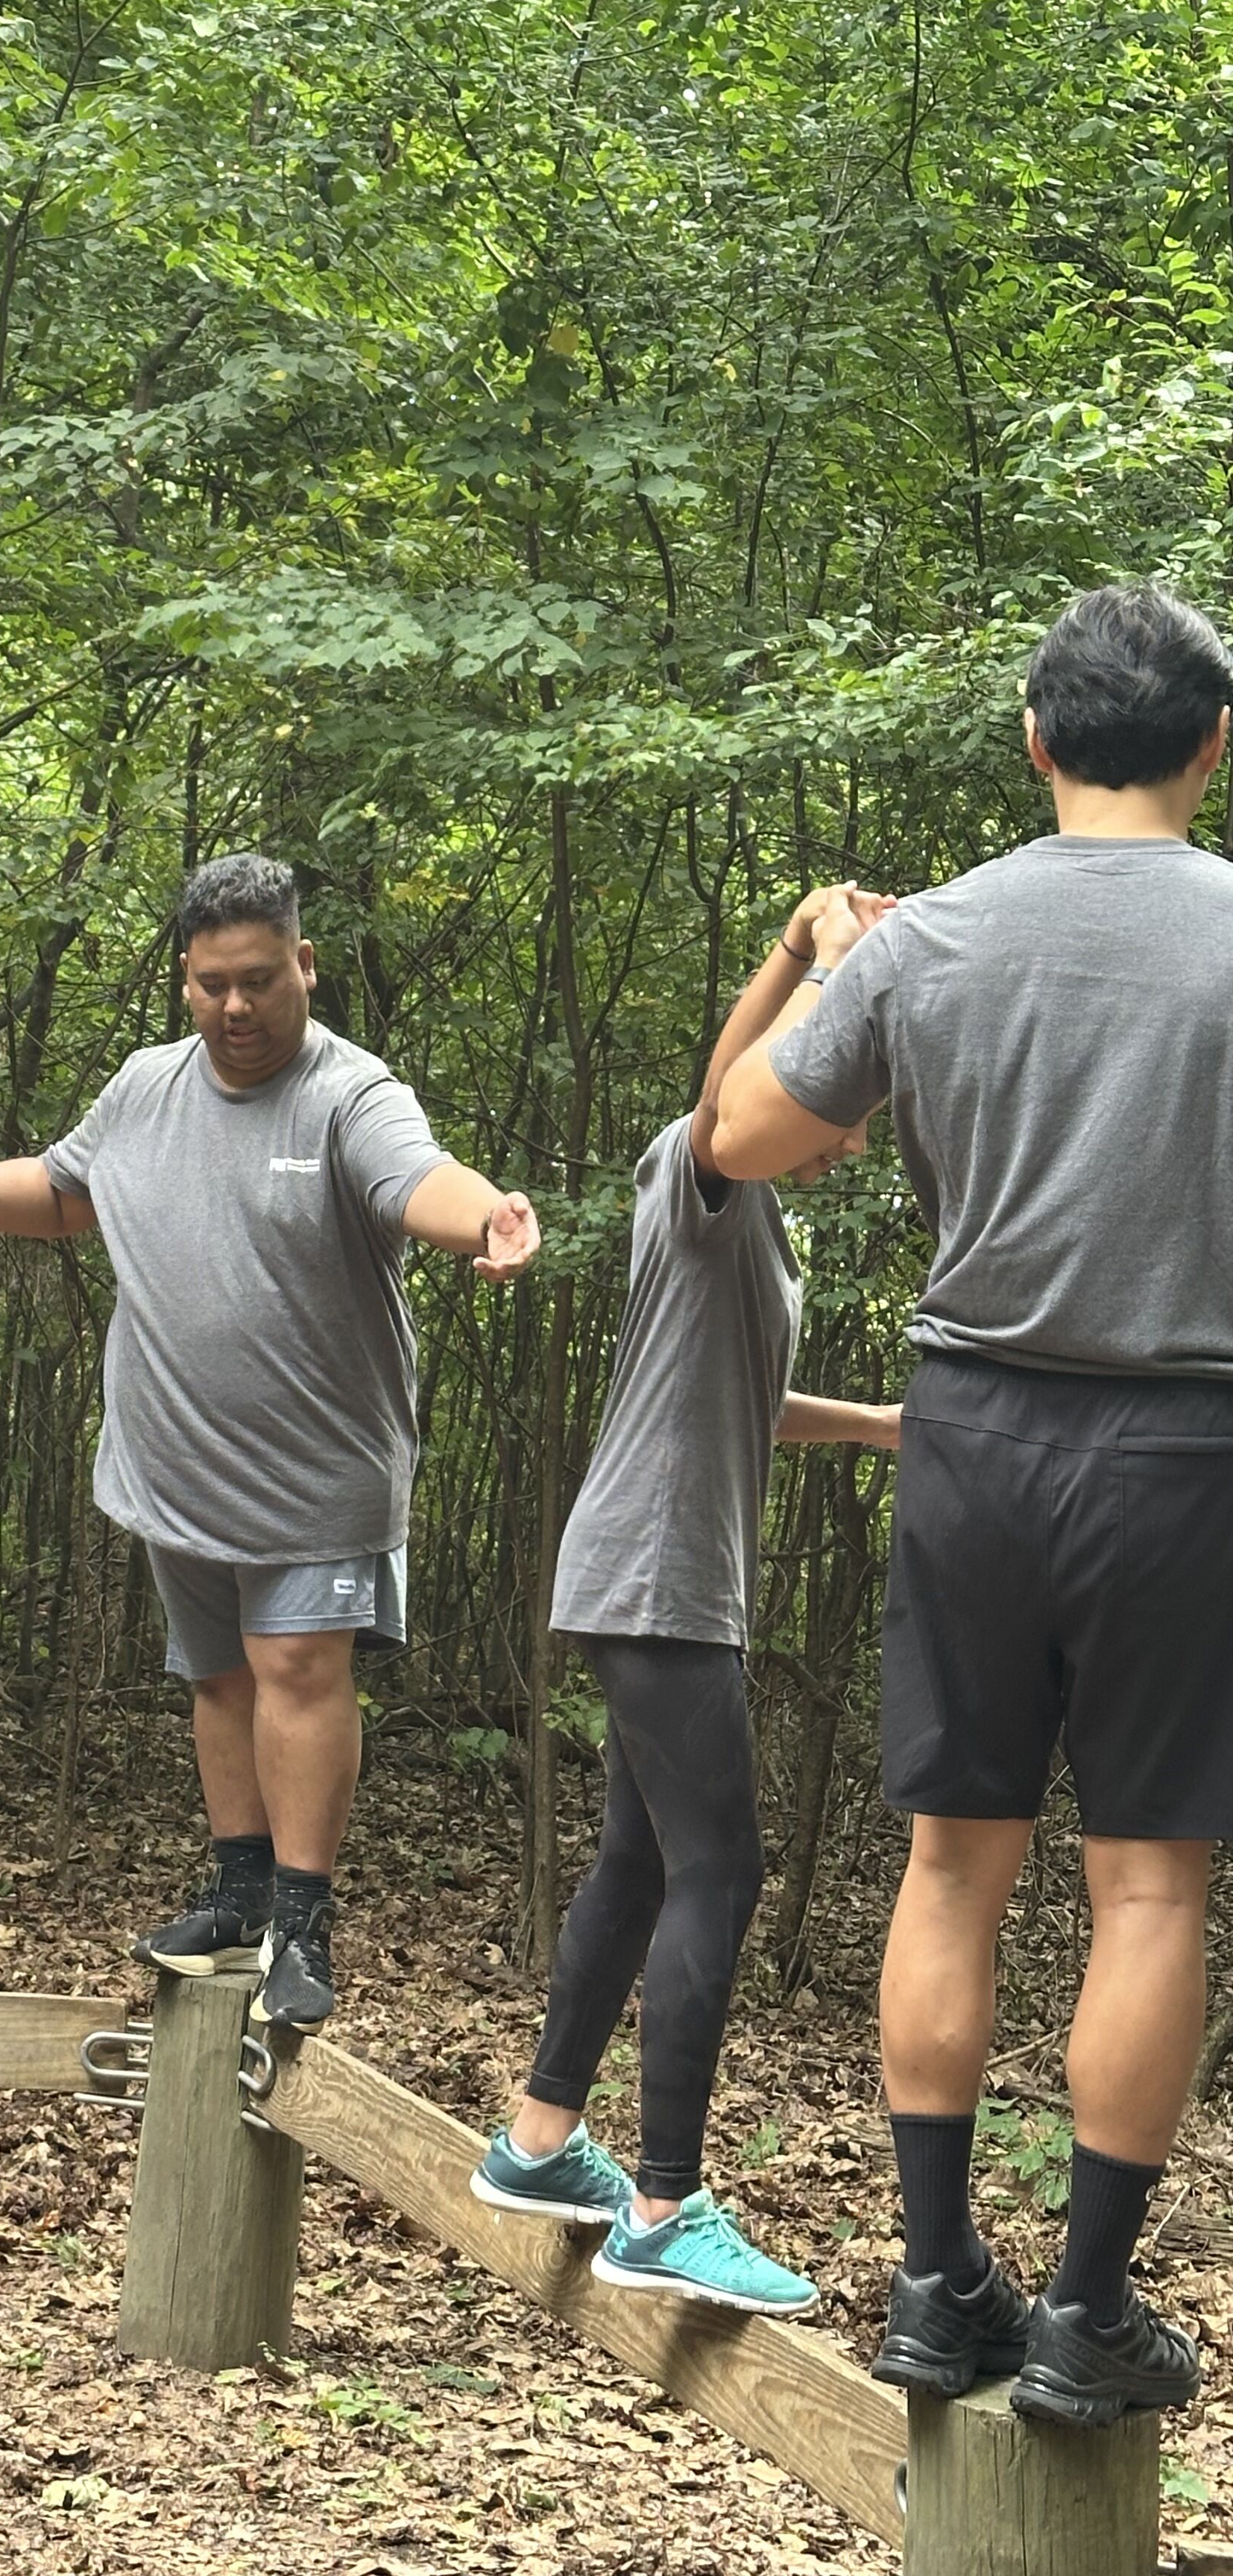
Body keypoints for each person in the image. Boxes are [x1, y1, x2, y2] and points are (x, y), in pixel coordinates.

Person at [713, 583, 1233, 2426]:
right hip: (1188, 1446)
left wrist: (849, 975)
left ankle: (939, 2288)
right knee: (1151, 1877)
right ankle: (1092, 2307)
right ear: (1211, 744)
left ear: (1034, 738)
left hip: (975, 1435)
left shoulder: (934, 940)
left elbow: (744, 1143)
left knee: (954, 1858)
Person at [0, 853, 539, 2028]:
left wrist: (484, 1219)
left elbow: (418, 1180)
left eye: (256, 981)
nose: (234, 1008)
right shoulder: (146, 1086)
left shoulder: (351, 1092)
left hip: (318, 1468)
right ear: (183, 983)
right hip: (173, 1462)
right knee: (221, 1676)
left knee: (299, 1670)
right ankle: (239, 1888)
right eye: (207, 986)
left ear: (303, 965)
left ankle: (302, 1919)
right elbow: (65, 1192)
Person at [473, 887, 900, 2314]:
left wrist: (889, 1429)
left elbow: (747, 1405)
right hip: (657, 1578)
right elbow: (727, 1102)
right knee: (723, 1867)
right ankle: (661, 2203)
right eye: (840, 1102)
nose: (847, 1132)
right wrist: (806, 959)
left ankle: (538, 2141)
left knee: (641, 1864)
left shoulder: (751, 1234)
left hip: (656, 1575)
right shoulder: (698, 1167)